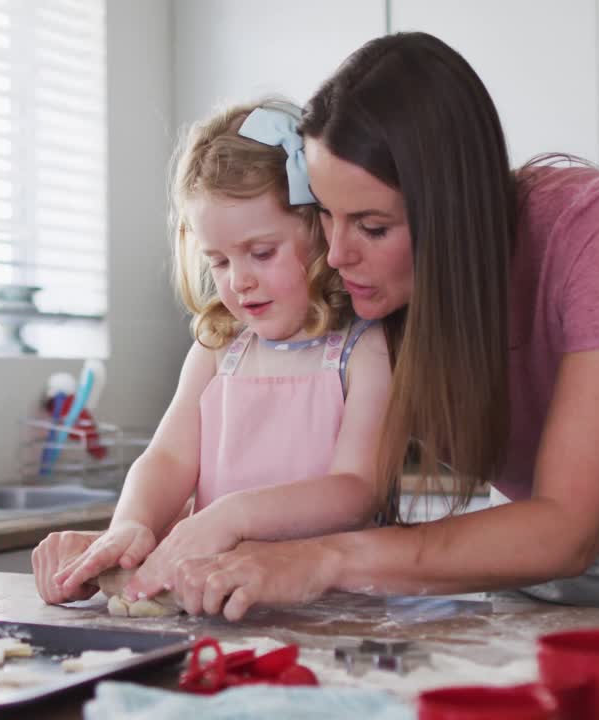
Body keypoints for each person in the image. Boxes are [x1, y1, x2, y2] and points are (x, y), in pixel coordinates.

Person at [157, 32, 599, 620]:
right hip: (522, 566)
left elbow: (568, 528)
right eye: (324, 215)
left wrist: (322, 559)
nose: (338, 254)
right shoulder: (365, 295)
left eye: (373, 227)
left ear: (450, 215)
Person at [31, 100, 392, 608]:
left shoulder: (361, 349)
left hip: (330, 607)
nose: (239, 281)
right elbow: (168, 457)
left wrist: (236, 515)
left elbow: (356, 490)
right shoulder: (218, 350)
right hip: (217, 607)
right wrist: (132, 521)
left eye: (261, 253)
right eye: (219, 261)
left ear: (318, 230)